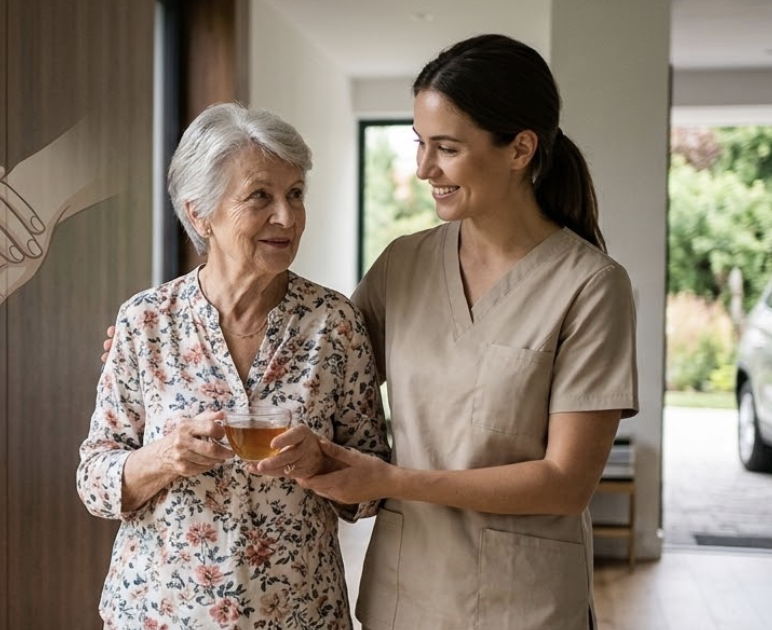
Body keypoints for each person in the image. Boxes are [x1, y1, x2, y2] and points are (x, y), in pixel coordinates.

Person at [296, 34, 639, 630]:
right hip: (405, 594)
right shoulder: (403, 264)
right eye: (420, 145)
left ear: (520, 149)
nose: (425, 168)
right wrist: (172, 333)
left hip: (525, 603)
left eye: (446, 148)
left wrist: (392, 480)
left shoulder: (591, 286)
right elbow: (312, 369)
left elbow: (566, 484)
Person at [77, 102, 390, 630]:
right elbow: (94, 481)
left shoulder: (334, 322)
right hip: (158, 614)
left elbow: (372, 492)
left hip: (298, 613)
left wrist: (320, 463)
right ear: (201, 213)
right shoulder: (146, 321)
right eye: (260, 197)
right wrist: (165, 456)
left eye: (295, 194)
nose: (286, 217)